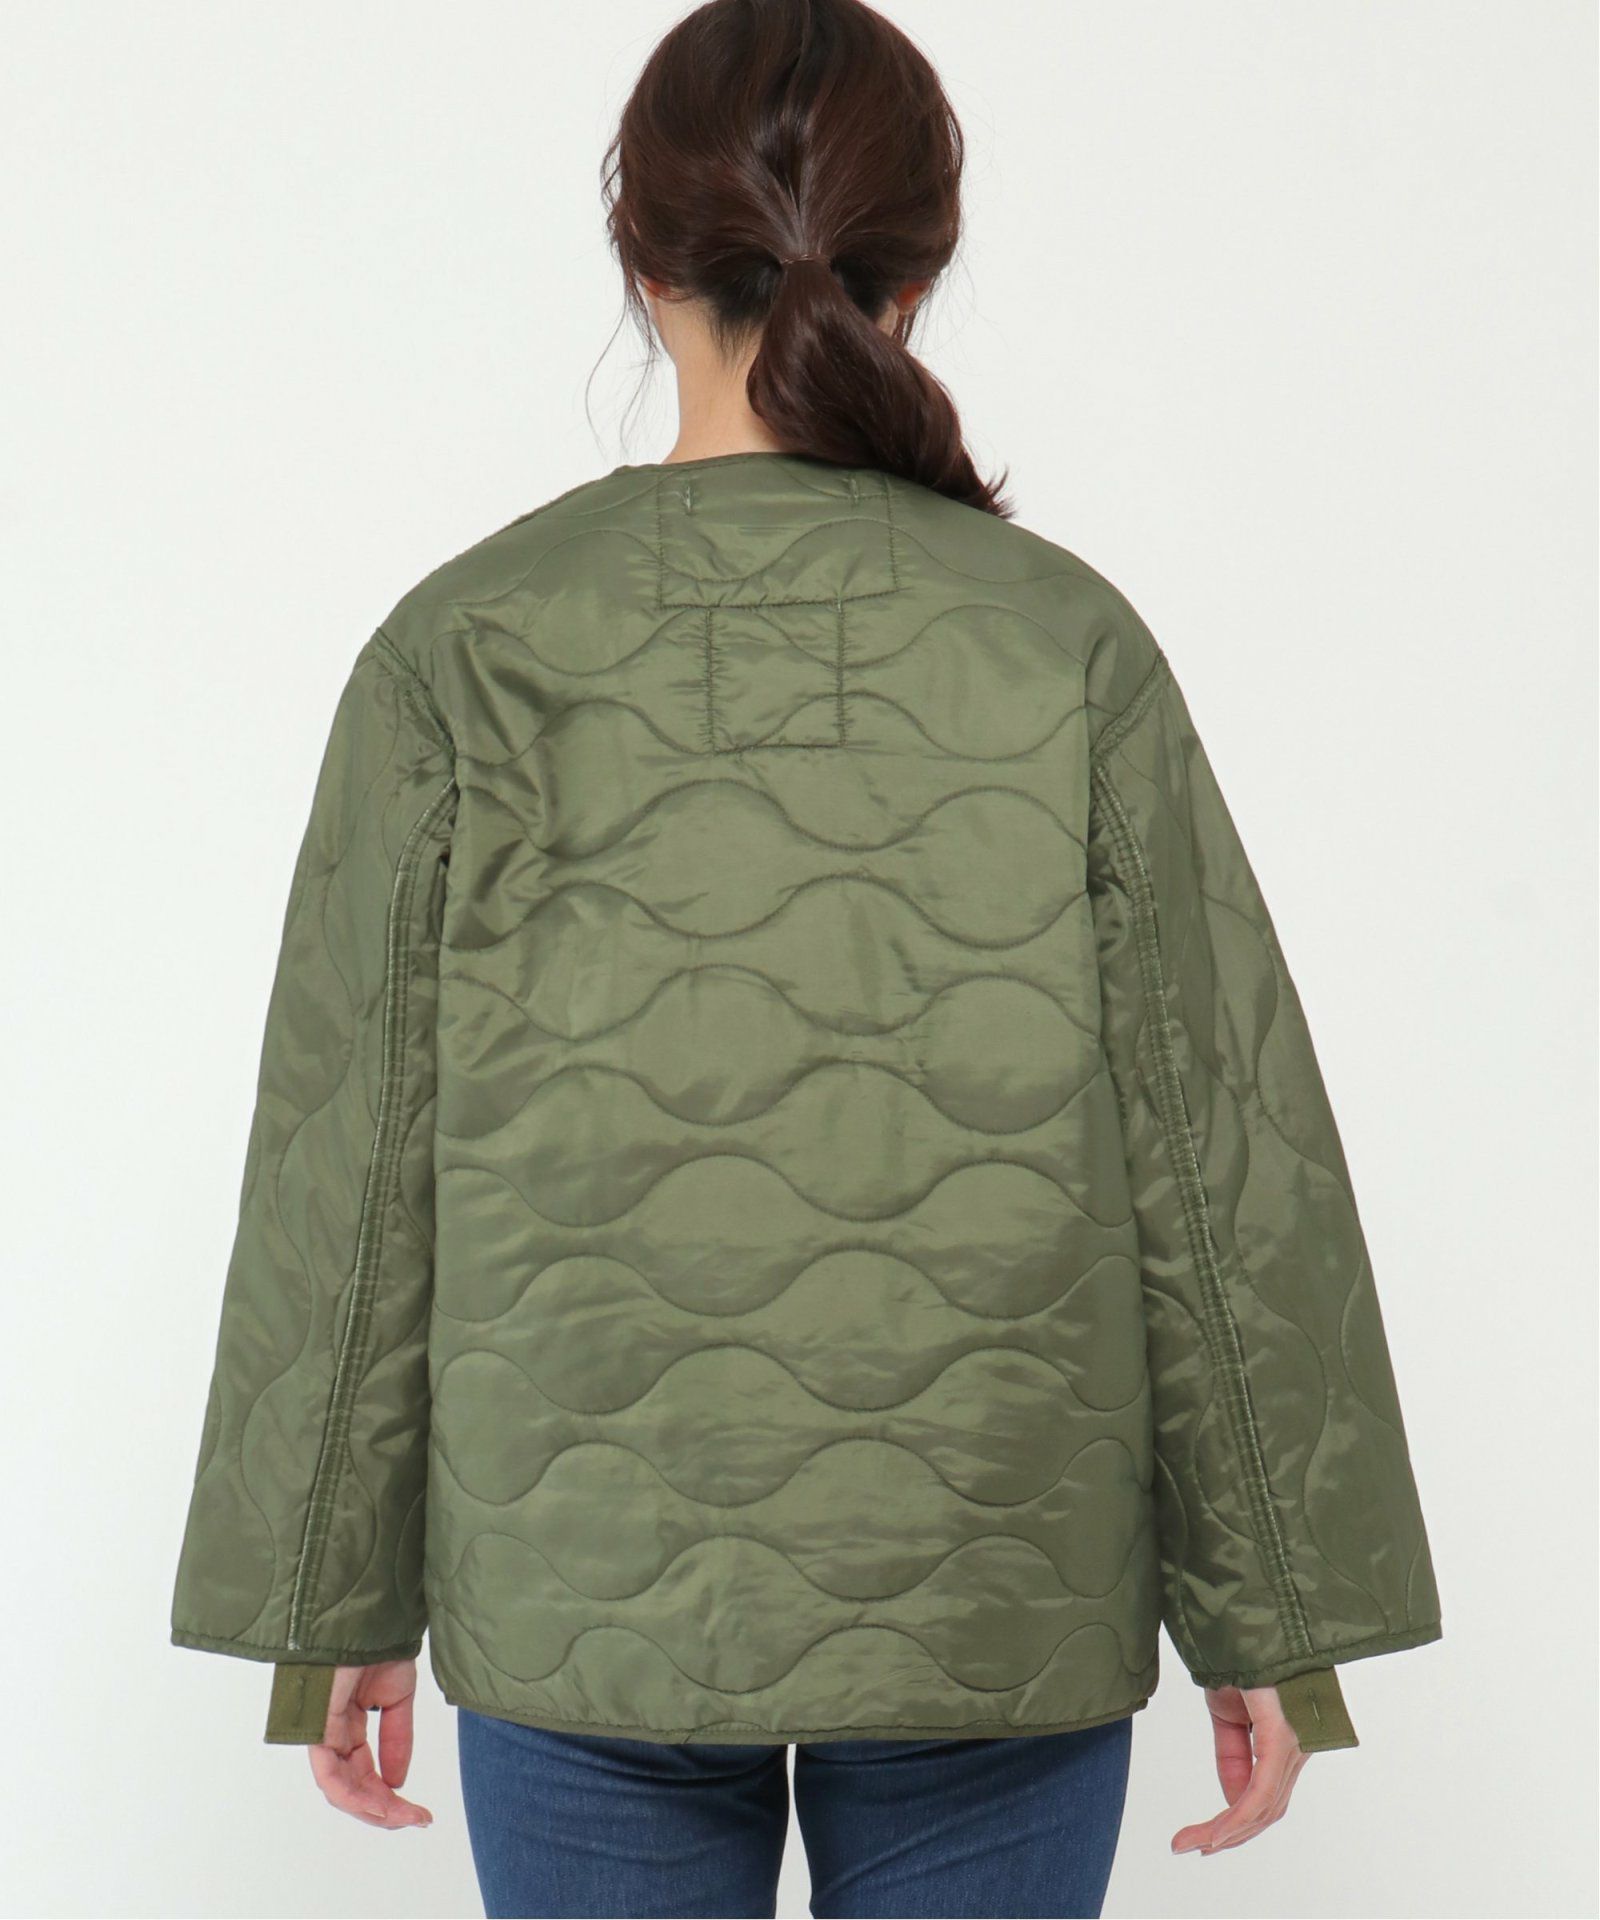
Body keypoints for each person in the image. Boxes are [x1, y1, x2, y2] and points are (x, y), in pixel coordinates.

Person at [170, 1, 1442, 1914]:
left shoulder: (467, 644)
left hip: (577, 1584)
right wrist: (1272, 1609)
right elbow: (1214, 1142)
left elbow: (352, 1158)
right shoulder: (1063, 645)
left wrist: (329, 1597)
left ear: (641, 258)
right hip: (993, 1585)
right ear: (913, 273)